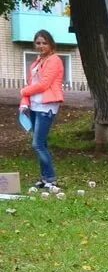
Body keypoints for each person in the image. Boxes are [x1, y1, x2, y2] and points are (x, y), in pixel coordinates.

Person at [20, 30, 65, 190]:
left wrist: (24, 92)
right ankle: (45, 178)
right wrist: (24, 102)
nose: (41, 46)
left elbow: (44, 85)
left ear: (51, 43)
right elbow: (30, 85)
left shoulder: (55, 60)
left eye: (44, 43)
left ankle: (51, 178)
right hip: (34, 105)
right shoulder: (35, 62)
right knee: (42, 143)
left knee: (37, 144)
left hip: (47, 105)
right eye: (38, 43)